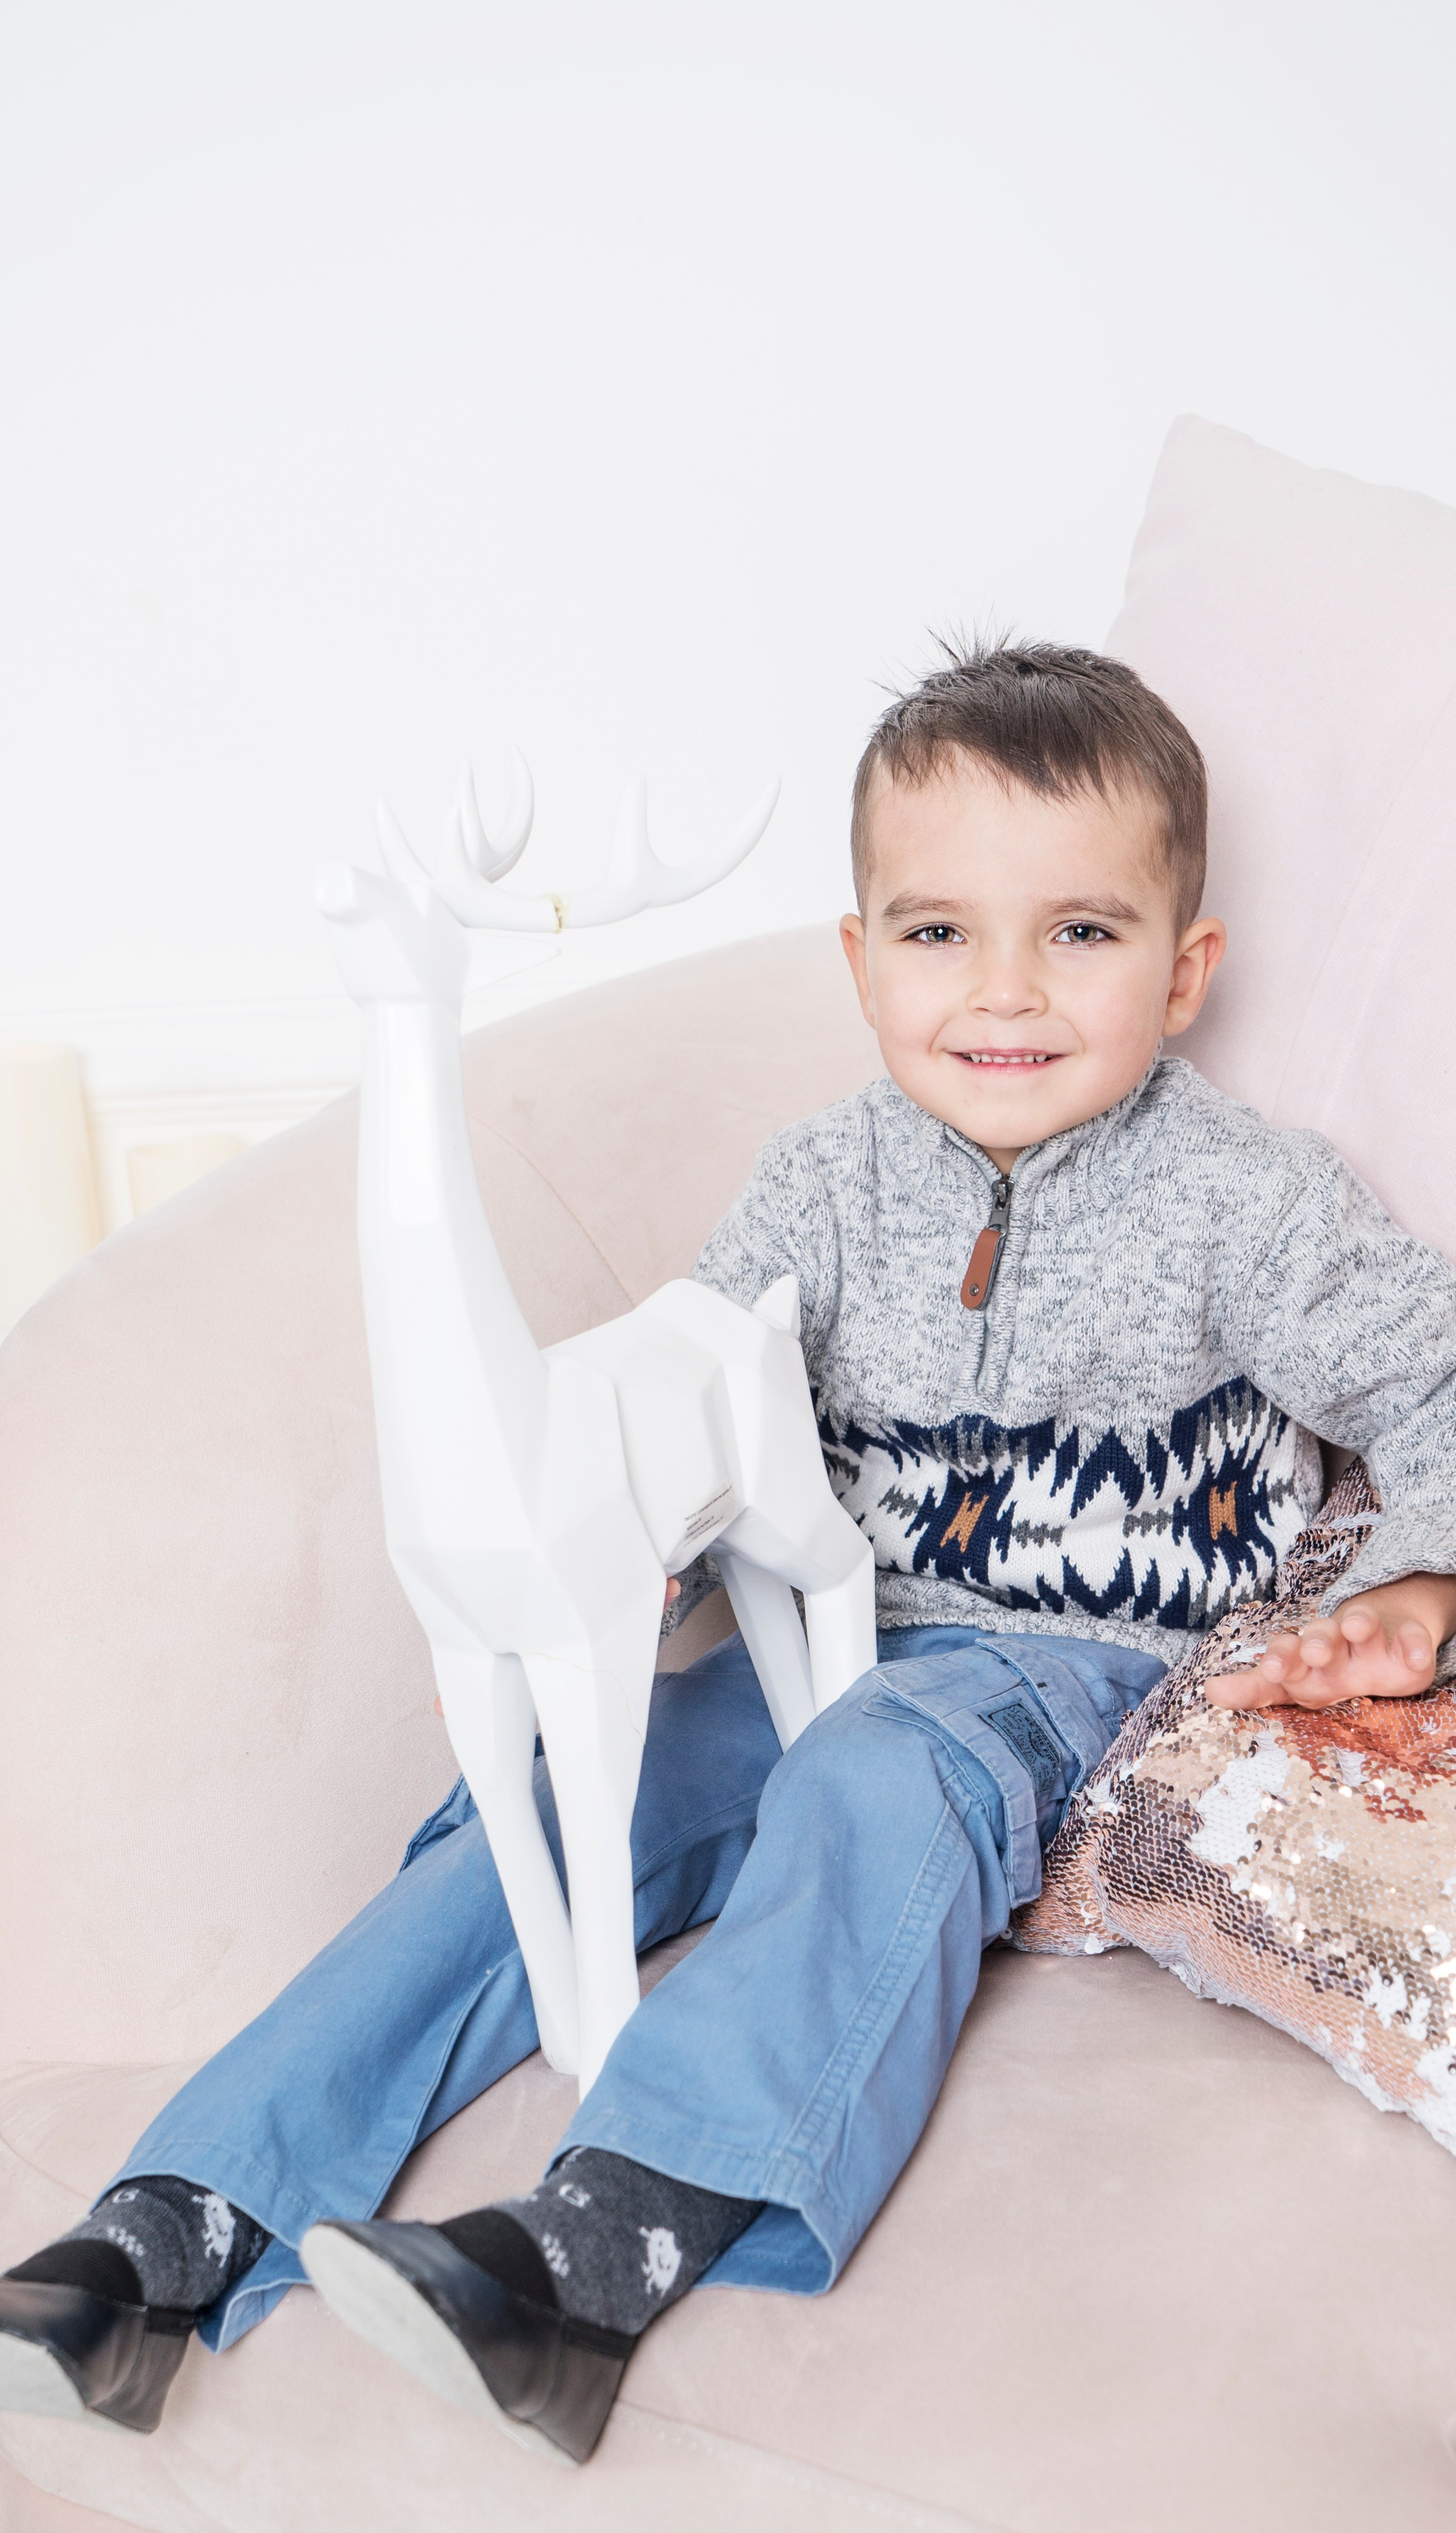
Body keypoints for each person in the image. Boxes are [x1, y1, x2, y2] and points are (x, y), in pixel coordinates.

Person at [4, 642, 1455, 2464]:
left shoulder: (1252, 1203)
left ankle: (604, 2247)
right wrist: (645, 1560)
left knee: (876, 1769)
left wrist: (1419, 1572)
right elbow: (688, 1416)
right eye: (937, 935)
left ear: (1185, 971)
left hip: (1068, 1675)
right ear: (858, 963)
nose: (1003, 992)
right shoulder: (818, 1187)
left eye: (1079, 935)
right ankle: (170, 2230)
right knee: (546, 1800)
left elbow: (1439, 1372)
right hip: (811, 1630)